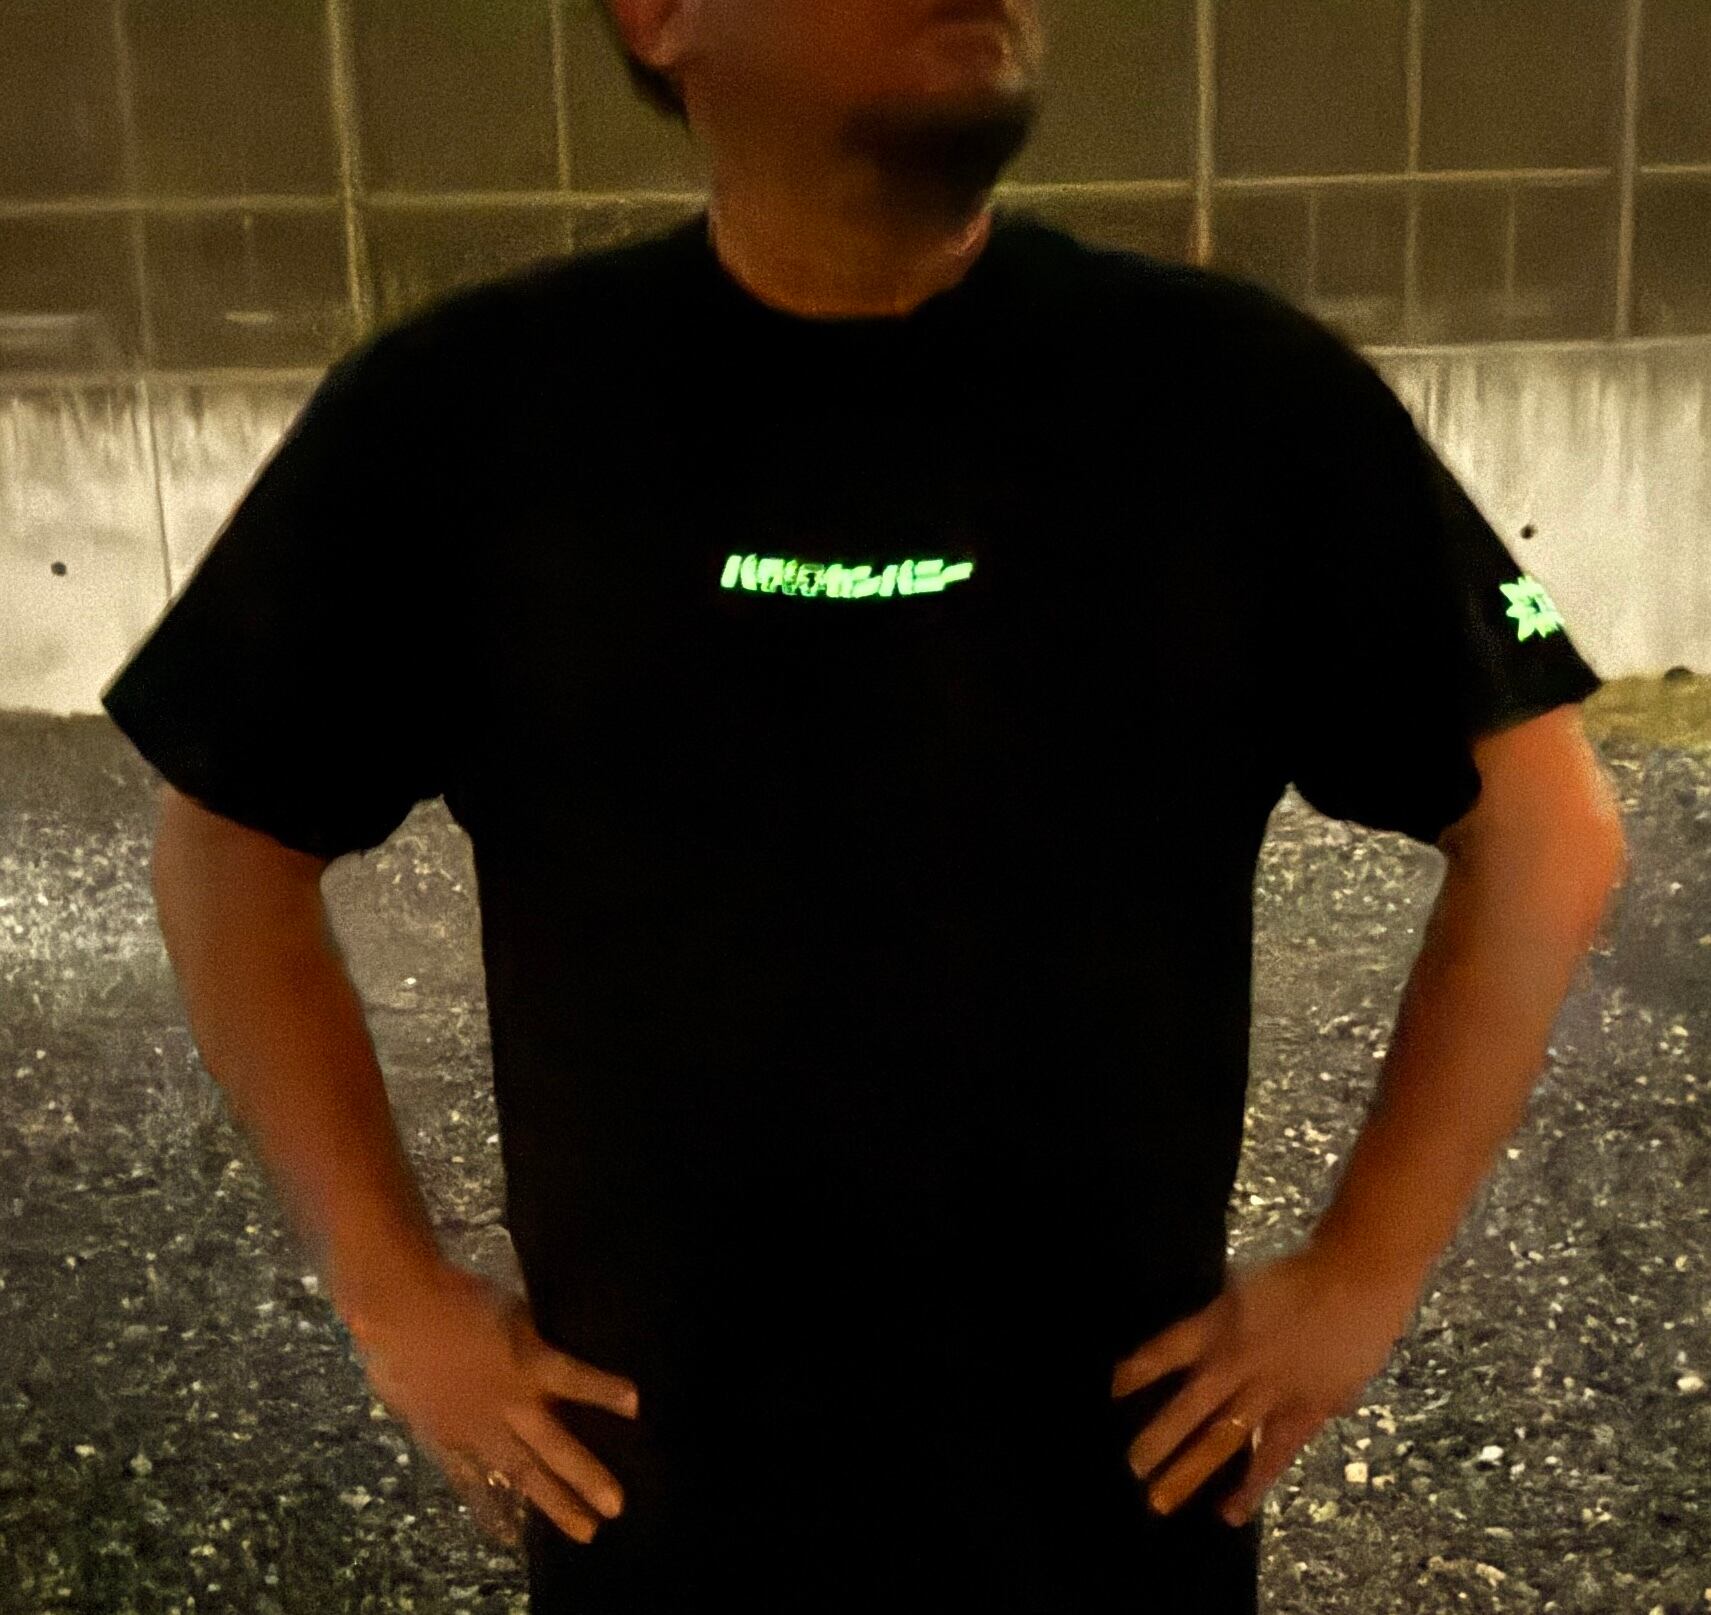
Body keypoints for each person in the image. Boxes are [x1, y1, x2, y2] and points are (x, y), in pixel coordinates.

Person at [101, 1, 1611, 1609]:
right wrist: (392, 1295)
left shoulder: (1234, 401)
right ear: (660, 15)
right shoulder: (469, 415)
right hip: (661, 1517)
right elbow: (228, 846)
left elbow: (1546, 830)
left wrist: (1364, 1276)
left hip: (1108, 1512)